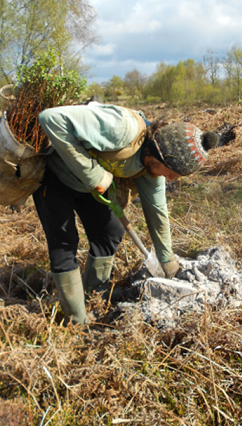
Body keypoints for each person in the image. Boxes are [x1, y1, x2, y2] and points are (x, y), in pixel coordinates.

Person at [33, 100, 219, 324]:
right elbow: (50, 118)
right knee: (64, 243)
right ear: (157, 153)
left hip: (91, 184)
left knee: (109, 232)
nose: (169, 179)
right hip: (56, 175)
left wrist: (167, 260)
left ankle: (96, 292)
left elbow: (157, 211)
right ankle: (76, 319)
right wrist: (93, 175)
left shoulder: (152, 170)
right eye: (171, 173)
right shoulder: (121, 128)